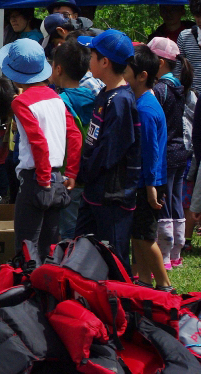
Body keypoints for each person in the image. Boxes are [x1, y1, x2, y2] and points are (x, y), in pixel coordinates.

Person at [1, 39, 81, 262]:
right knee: (49, 245)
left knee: (26, 246)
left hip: (37, 179)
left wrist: (43, 179)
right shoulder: (56, 97)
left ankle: (27, 290)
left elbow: (38, 141)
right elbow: (74, 135)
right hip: (58, 179)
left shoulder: (21, 102)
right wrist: (72, 173)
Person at [75, 30, 141, 271]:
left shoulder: (121, 100)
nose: (88, 60)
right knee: (81, 248)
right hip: (94, 189)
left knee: (115, 257)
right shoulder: (105, 93)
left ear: (105, 61)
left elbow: (110, 151)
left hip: (112, 194)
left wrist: (85, 172)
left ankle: (122, 303)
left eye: (92, 54)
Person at [124, 44, 172, 291]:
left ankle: (164, 284)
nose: (123, 72)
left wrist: (152, 186)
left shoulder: (145, 108)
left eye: (128, 69)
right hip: (145, 181)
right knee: (137, 237)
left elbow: (151, 151)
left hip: (149, 182)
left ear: (143, 75)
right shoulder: (143, 101)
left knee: (145, 238)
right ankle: (144, 282)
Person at [148, 37, 193, 270]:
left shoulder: (159, 90)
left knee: (162, 203)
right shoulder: (180, 88)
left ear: (161, 63)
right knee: (175, 199)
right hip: (181, 151)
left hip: (165, 152)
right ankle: (176, 254)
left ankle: (164, 257)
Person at [49, 37, 95, 240]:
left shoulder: (61, 102)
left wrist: (68, 172)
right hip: (88, 171)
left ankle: (69, 264)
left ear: (58, 69)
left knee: (67, 228)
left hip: (68, 174)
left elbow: (71, 138)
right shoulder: (93, 97)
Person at [175, 0, 201, 93]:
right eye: (197, 15)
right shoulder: (185, 36)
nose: (199, 20)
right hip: (193, 101)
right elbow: (177, 70)